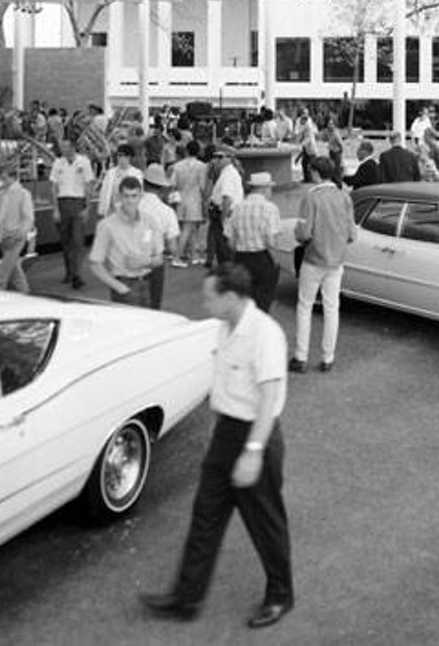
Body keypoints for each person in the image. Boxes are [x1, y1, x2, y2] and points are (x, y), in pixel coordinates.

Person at [139, 262, 293, 629]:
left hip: (257, 436)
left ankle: (281, 595)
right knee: (205, 516)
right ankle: (186, 597)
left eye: (209, 296)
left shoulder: (264, 334)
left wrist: (253, 453)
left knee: (266, 523)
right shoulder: (225, 326)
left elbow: (269, 399)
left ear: (231, 297)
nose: (203, 301)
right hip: (226, 434)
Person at [291, 157, 356, 374]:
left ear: (316, 172)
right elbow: (352, 234)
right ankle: (328, 358)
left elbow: (303, 233)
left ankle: (301, 357)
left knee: (304, 306)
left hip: (313, 259)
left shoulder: (311, 197)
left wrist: (300, 236)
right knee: (332, 308)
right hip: (336, 261)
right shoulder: (344, 196)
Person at [87, 175, 163, 307]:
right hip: (124, 285)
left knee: (148, 325)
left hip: (147, 283)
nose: (130, 201)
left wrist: (146, 261)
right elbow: (95, 263)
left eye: (134, 196)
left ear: (140, 197)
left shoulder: (150, 221)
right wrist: (119, 287)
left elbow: (160, 258)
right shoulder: (106, 226)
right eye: (126, 196)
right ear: (119, 197)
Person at [225, 172, 282, 312]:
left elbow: (230, 242)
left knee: (242, 300)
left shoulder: (237, 207)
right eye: (269, 188)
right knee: (262, 301)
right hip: (262, 258)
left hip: (240, 258)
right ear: (264, 189)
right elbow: (271, 242)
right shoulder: (270, 208)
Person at [0, 164, 35, 293]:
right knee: (15, 271)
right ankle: (25, 294)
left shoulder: (23, 194)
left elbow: (28, 219)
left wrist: (17, 236)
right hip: (3, 237)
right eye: (0, 178)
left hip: (14, 239)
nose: (1, 181)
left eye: (4, 178)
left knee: (2, 275)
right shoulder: (2, 194)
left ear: (12, 178)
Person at [52, 138, 97, 289]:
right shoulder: (58, 163)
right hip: (63, 203)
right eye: (62, 148)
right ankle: (69, 273)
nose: (63, 150)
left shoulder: (83, 162)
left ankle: (77, 274)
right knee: (65, 242)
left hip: (78, 203)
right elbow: (54, 187)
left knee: (78, 241)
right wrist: (56, 209)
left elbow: (89, 184)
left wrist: (88, 207)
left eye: (66, 147)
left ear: (72, 148)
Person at [139, 163, 181, 308]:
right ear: (162, 188)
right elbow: (173, 247)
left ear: (143, 184)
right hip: (154, 261)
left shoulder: (129, 205)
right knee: (153, 307)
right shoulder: (167, 211)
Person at [171, 140, 209, 266]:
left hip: (180, 198)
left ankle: (193, 255)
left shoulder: (177, 166)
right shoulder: (202, 167)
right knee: (188, 229)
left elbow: (173, 184)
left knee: (187, 228)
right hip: (194, 199)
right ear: (198, 152)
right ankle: (177, 257)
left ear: (186, 151)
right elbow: (203, 186)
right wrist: (205, 201)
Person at [207, 145, 244, 267]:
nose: (216, 160)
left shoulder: (228, 174)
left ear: (229, 158)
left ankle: (227, 275)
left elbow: (227, 199)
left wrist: (223, 221)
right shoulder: (227, 173)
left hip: (224, 213)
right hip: (224, 212)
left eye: (220, 157)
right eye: (215, 156)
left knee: (223, 249)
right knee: (223, 248)